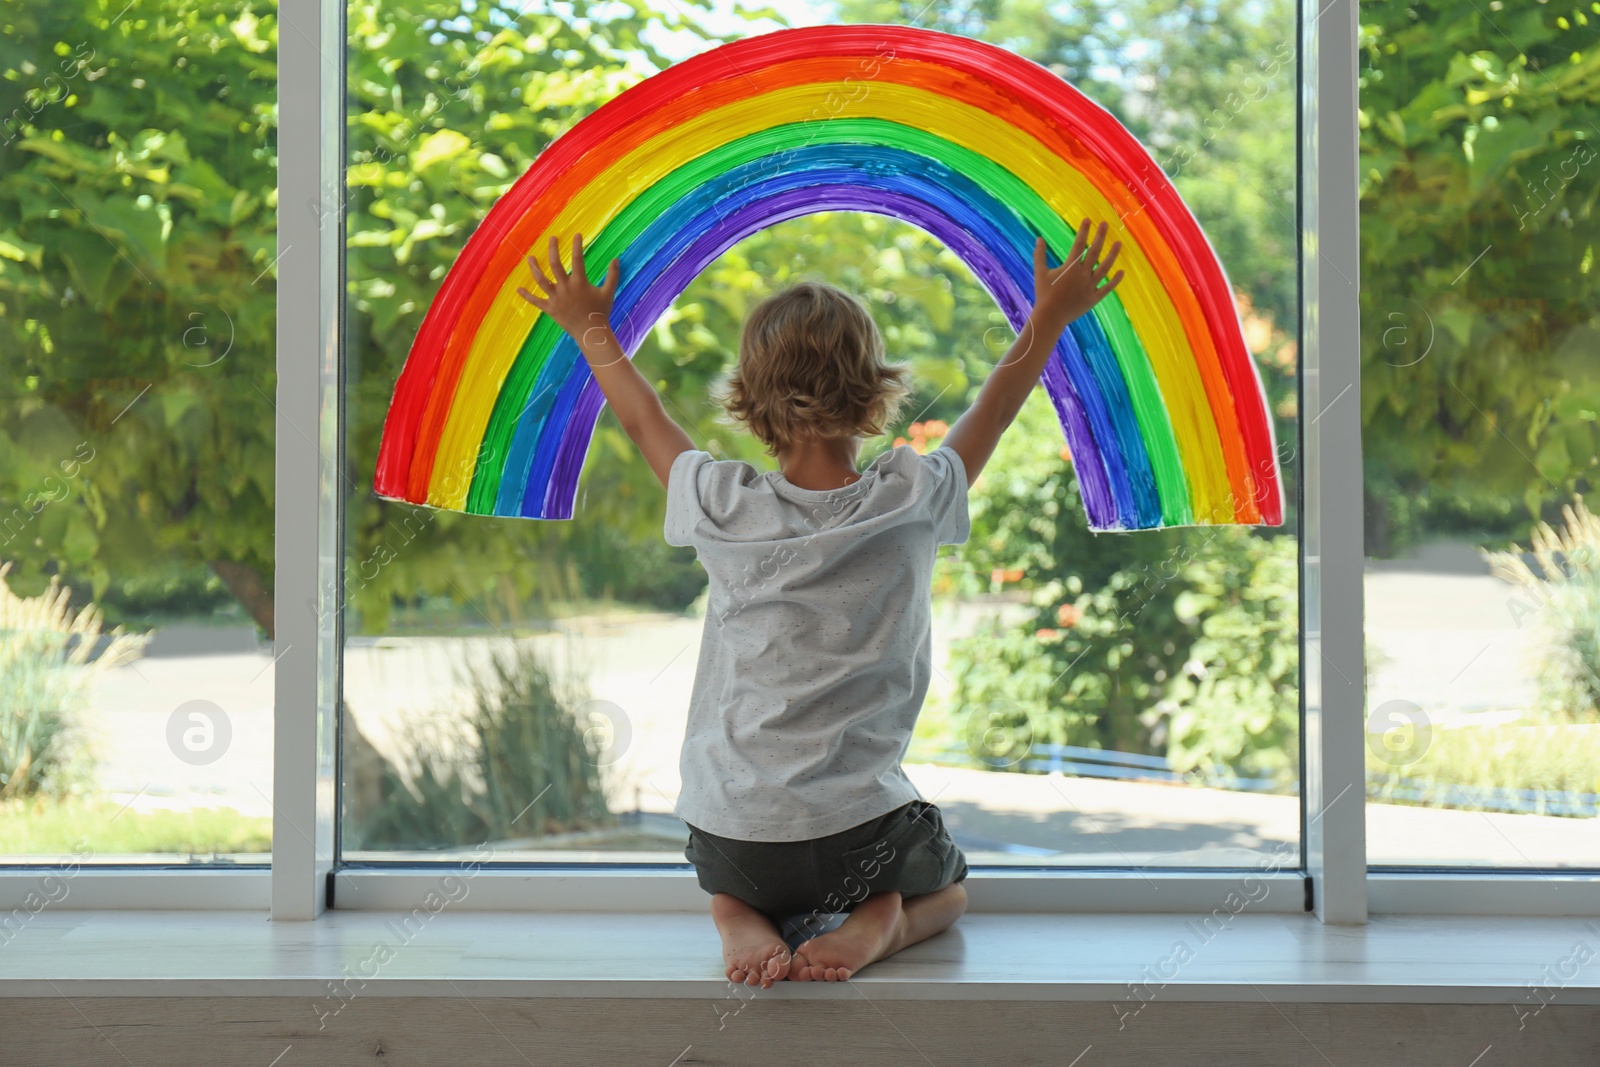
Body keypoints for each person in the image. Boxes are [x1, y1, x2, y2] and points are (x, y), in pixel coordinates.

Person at [517, 220, 1124, 986]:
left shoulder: (722, 505)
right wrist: (1051, 315)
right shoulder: (910, 497)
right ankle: (886, 917)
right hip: (860, 837)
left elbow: (644, 418)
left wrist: (588, 325)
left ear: (751, 403)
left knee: (727, 871)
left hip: (733, 836)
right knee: (953, 890)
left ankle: (737, 914)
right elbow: (995, 409)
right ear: (875, 395)